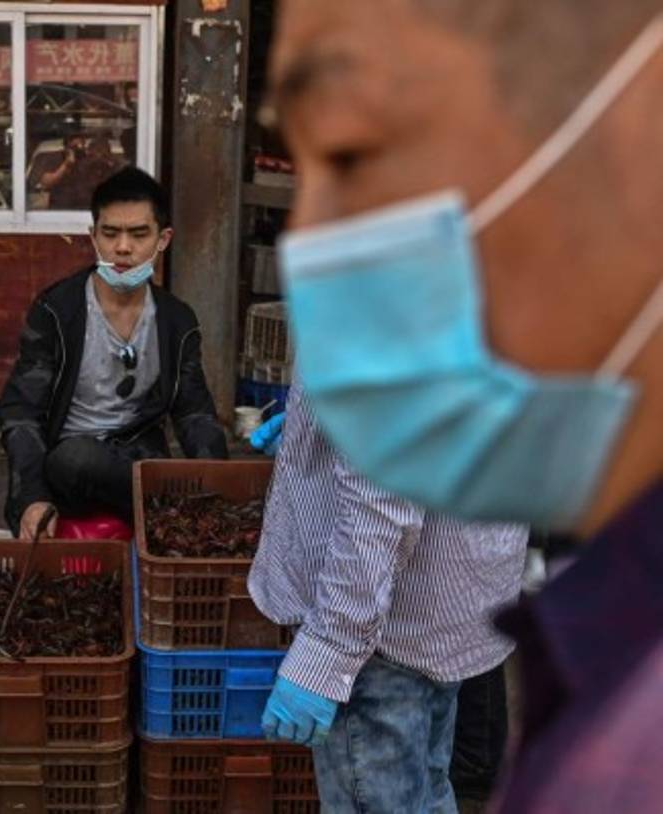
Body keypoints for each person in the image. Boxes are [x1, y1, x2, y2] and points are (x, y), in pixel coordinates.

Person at [267, 2, 663, 810]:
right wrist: (313, 421)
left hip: (383, 630)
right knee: (427, 786)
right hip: (452, 604)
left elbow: (383, 492)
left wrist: (325, 654)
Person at [249, 386, 527, 812]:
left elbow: (379, 502)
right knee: (427, 790)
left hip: (385, 630)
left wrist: (330, 647)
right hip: (448, 596)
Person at [0, 167, 228, 540]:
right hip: (70, 466)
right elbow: (22, 411)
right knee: (77, 460)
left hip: (140, 462)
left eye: (139, 234)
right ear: (93, 237)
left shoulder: (176, 321)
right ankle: (165, 509)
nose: (123, 247)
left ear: (163, 239)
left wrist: (220, 484)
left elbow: (193, 412)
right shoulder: (58, 311)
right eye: (110, 233)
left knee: (162, 475)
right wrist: (31, 497)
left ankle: (166, 510)